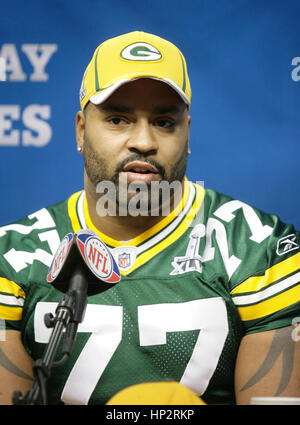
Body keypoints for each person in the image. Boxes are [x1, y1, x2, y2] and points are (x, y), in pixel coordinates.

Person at [0, 30, 300, 406]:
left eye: (163, 122)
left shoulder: (261, 250)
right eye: (118, 119)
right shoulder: (10, 259)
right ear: (80, 129)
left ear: (187, 133)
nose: (143, 141)